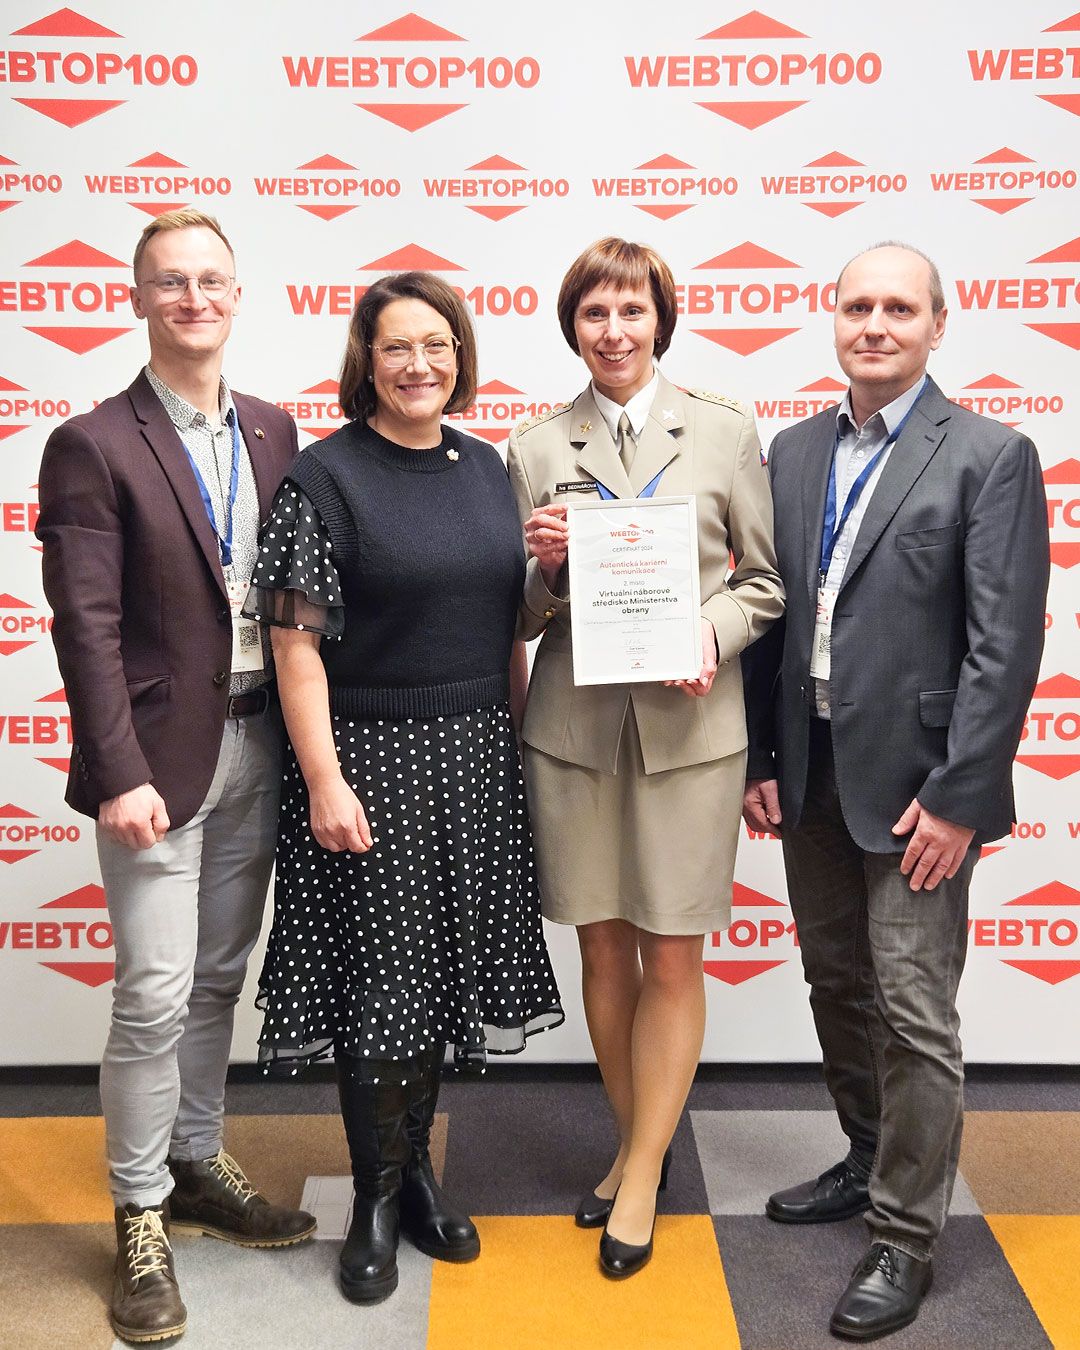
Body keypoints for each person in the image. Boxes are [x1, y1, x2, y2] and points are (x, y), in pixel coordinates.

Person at [742, 242, 1050, 1341]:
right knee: (836, 982)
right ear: (833, 318)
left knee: (916, 1010)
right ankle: (868, 1157)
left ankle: (907, 1236)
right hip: (811, 769)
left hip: (924, 791)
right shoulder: (793, 452)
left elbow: (1004, 646)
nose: (875, 325)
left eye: (899, 309)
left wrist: (963, 795)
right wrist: (762, 758)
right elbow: (771, 616)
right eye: (857, 306)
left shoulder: (989, 454)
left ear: (937, 324)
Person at [243, 270, 564, 1305]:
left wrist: (520, 745)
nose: (419, 364)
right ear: (366, 361)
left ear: (460, 355)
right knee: (381, 988)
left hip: (475, 757)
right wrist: (324, 781)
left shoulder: (487, 467)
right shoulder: (325, 477)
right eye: (396, 347)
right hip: (369, 762)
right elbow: (294, 647)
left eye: (437, 344)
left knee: (434, 984)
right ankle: (375, 1199)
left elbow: (505, 627)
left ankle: (417, 1172)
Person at [36, 209, 314, 1346]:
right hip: (156, 767)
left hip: (260, 746)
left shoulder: (276, 429)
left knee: (214, 980)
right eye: (170, 281)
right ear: (138, 298)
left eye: (211, 280)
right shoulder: (94, 443)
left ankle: (197, 1161)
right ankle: (139, 1211)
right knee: (152, 993)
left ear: (238, 295)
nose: (194, 298)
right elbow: (86, 624)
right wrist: (115, 771)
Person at [508, 237, 783, 1279]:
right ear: (572, 327)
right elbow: (519, 616)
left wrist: (710, 629)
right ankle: (641, 1152)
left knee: (672, 955)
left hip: (690, 734)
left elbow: (764, 583)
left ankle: (637, 1175)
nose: (614, 332)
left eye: (632, 312)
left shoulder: (723, 429)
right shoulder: (535, 445)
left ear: (660, 319)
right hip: (575, 735)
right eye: (595, 314)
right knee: (601, 951)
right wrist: (544, 571)